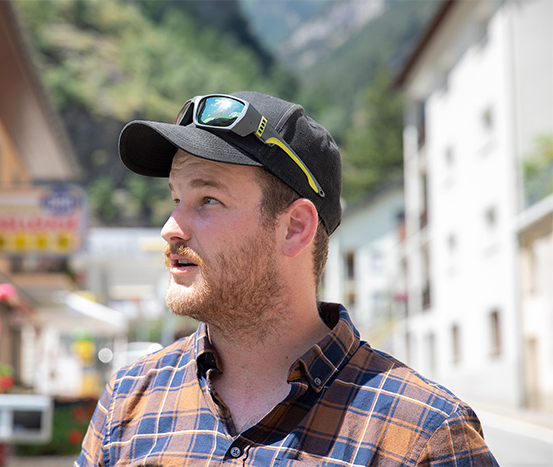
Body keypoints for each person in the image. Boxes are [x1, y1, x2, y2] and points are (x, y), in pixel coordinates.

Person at [75, 91, 498, 466]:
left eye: (208, 199)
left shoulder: (425, 436)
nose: (170, 228)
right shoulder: (127, 403)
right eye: (175, 198)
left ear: (295, 228)